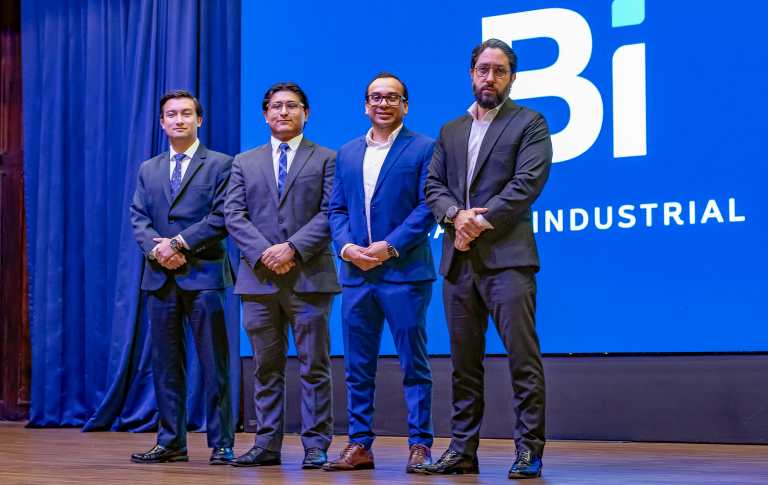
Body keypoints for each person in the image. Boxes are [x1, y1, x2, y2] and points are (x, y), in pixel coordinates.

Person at [419, 39, 553, 479]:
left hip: (508, 261)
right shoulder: (450, 130)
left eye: (499, 70)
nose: (489, 78)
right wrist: (455, 216)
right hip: (459, 264)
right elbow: (433, 187)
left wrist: (477, 221)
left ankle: (528, 450)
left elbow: (526, 184)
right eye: (483, 69)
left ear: (512, 77)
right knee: (463, 365)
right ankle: (462, 450)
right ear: (471, 74)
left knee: (522, 359)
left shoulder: (529, 123)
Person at [324, 72, 436, 473]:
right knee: (357, 367)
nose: (383, 103)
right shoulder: (347, 153)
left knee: (414, 365)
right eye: (375, 97)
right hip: (357, 275)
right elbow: (336, 209)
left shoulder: (424, 148)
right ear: (365, 105)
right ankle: (359, 444)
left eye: (392, 97)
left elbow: (428, 206)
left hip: (404, 273)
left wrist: (389, 246)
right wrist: (347, 248)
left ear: (405, 105)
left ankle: (420, 445)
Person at [224, 82, 339, 469]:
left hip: (309, 277)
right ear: (265, 114)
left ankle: (316, 445)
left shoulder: (327, 158)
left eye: (292, 106)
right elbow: (233, 215)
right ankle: (266, 444)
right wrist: (265, 253)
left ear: (306, 112)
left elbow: (330, 212)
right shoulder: (244, 162)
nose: (283, 112)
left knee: (314, 366)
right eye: (276, 106)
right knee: (266, 366)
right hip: (258, 280)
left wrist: (292, 248)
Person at [129, 90, 235, 465]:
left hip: (204, 275)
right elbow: (139, 218)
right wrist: (157, 250)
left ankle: (221, 443)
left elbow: (221, 217)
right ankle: (171, 441)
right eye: (171, 114)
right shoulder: (149, 168)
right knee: (165, 365)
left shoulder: (221, 164)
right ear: (162, 123)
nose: (179, 120)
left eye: (186, 114)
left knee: (214, 363)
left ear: (199, 120)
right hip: (160, 278)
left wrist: (178, 243)